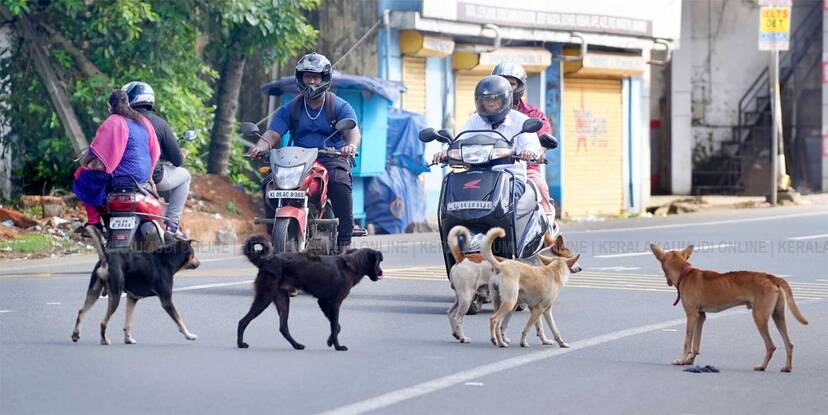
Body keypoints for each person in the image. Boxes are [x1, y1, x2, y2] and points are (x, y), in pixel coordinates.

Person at [246, 52, 360, 252]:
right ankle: (274, 231)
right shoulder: (290, 108)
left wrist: (350, 146)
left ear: (325, 79)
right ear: (301, 78)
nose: (312, 81)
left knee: (340, 182)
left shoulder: (339, 106)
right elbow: (273, 133)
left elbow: (353, 132)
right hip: (297, 160)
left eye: (317, 77)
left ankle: (345, 239)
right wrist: (260, 146)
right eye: (308, 76)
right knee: (269, 184)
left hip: (331, 156)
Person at [433, 75, 541, 201]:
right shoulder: (474, 120)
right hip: (476, 175)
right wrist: (446, 153)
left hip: (510, 178)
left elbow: (532, 145)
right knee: (455, 198)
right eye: (486, 99)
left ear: (505, 99)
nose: (490, 102)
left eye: (495, 98)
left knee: (504, 203)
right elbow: (460, 142)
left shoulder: (521, 121)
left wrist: (528, 152)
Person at [72, 90, 160, 232]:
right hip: (142, 178)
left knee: (81, 175)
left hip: (122, 178)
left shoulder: (114, 120)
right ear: (128, 103)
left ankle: (94, 223)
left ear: (109, 106)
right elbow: (155, 151)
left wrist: (85, 161)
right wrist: (149, 177)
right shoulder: (143, 121)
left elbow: (96, 150)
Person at [122, 81, 190, 237]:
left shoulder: (119, 122)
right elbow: (177, 160)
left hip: (120, 177)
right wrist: (181, 154)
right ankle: (172, 224)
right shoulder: (158, 123)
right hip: (151, 177)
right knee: (185, 176)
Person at [491, 62, 556, 219]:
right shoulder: (484, 112)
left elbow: (542, 137)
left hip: (524, 169)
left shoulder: (533, 114)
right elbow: (470, 135)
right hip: (489, 168)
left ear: (519, 86)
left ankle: (548, 226)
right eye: (502, 82)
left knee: (539, 187)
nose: (505, 88)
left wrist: (539, 150)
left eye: (511, 84)